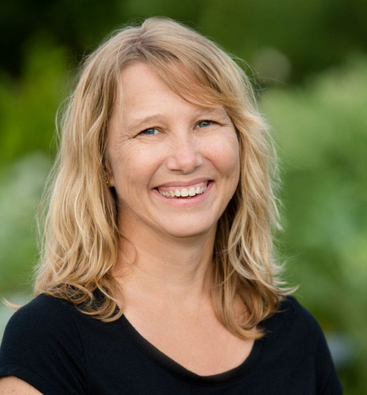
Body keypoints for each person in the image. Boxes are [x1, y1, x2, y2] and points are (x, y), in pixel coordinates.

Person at [0, 17, 342, 394]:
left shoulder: (294, 335)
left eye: (206, 122)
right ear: (103, 164)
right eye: (150, 130)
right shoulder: (50, 341)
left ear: (241, 142)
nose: (186, 158)